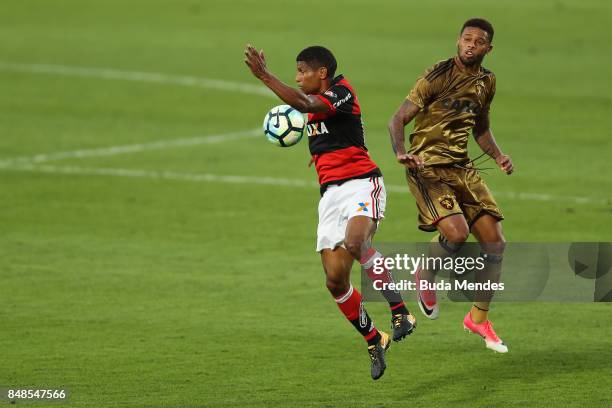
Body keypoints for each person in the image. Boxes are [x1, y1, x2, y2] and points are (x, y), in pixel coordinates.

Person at [245, 44, 416, 379]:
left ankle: (400, 311)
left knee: (356, 242)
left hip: (362, 184)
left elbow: (306, 103)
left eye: (301, 71)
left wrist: (264, 75)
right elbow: (315, 117)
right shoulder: (314, 106)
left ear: (321, 72)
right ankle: (374, 338)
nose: (297, 78)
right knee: (335, 281)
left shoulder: (341, 92)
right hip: (330, 196)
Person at [388, 18, 513, 353]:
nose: (470, 45)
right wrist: (401, 152)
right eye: (466, 39)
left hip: (463, 169)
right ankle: (425, 272)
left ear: (489, 48)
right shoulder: (438, 75)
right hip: (427, 167)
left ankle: (478, 317)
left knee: (496, 244)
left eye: (478, 41)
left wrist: (499, 156)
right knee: (456, 234)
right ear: (458, 41)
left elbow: (481, 128)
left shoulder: (487, 82)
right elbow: (397, 118)